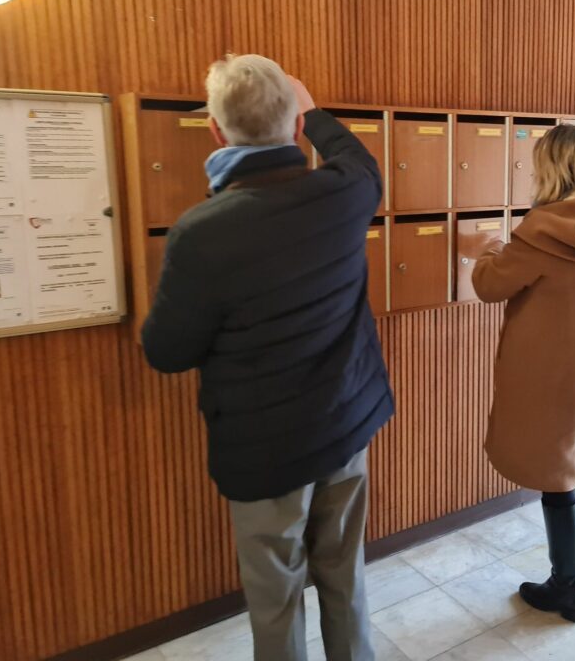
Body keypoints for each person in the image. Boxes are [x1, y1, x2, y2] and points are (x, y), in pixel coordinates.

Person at [141, 54, 393, 661]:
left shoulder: (202, 231)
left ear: (216, 131)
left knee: (276, 596)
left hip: (265, 451)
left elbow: (167, 352)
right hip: (344, 425)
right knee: (344, 572)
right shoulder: (346, 191)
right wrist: (314, 110)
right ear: (297, 126)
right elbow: (360, 158)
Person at [472, 124, 575, 623]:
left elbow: (490, 285)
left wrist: (487, 247)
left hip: (545, 373)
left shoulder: (542, 230)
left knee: (557, 475)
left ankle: (567, 587)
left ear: (550, 168)